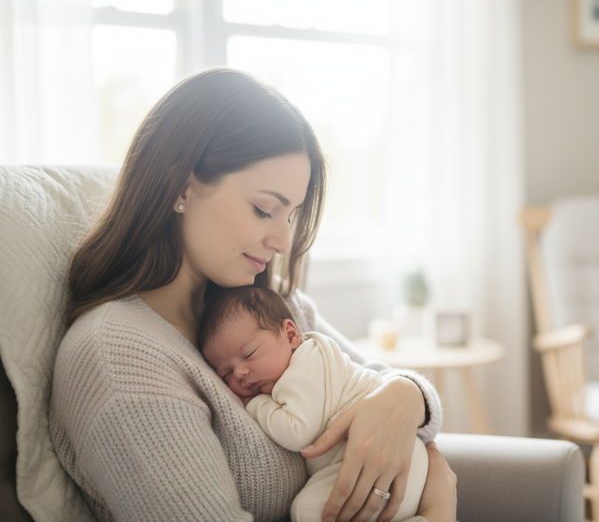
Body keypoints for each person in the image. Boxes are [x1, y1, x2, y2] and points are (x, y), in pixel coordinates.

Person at [49, 67, 455, 522]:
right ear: (180, 185)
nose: (283, 241)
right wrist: (438, 511)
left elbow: (378, 380)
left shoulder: (271, 308)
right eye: (265, 209)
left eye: (290, 216)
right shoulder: (116, 358)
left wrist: (405, 396)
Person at [199, 285, 429, 522]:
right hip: (402, 458)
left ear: (290, 335)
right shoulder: (314, 351)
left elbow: (297, 432)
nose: (239, 372)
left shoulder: (300, 370)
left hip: (388, 464)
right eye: (225, 372)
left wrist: (256, 403)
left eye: (249, 354)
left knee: (305, 511)